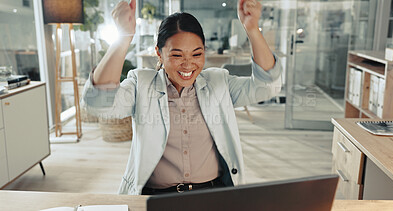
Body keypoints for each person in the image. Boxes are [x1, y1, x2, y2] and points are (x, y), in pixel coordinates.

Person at [82, 0, 282, 195]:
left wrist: (253, 30)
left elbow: (266, 87)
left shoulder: (218, 82)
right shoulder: (141, 85)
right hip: (157, 197)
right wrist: (123, 37)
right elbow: (98, 103)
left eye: (196, 54)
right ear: (159, 54)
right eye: (177, 55)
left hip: (211, 195)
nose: (188, 65)